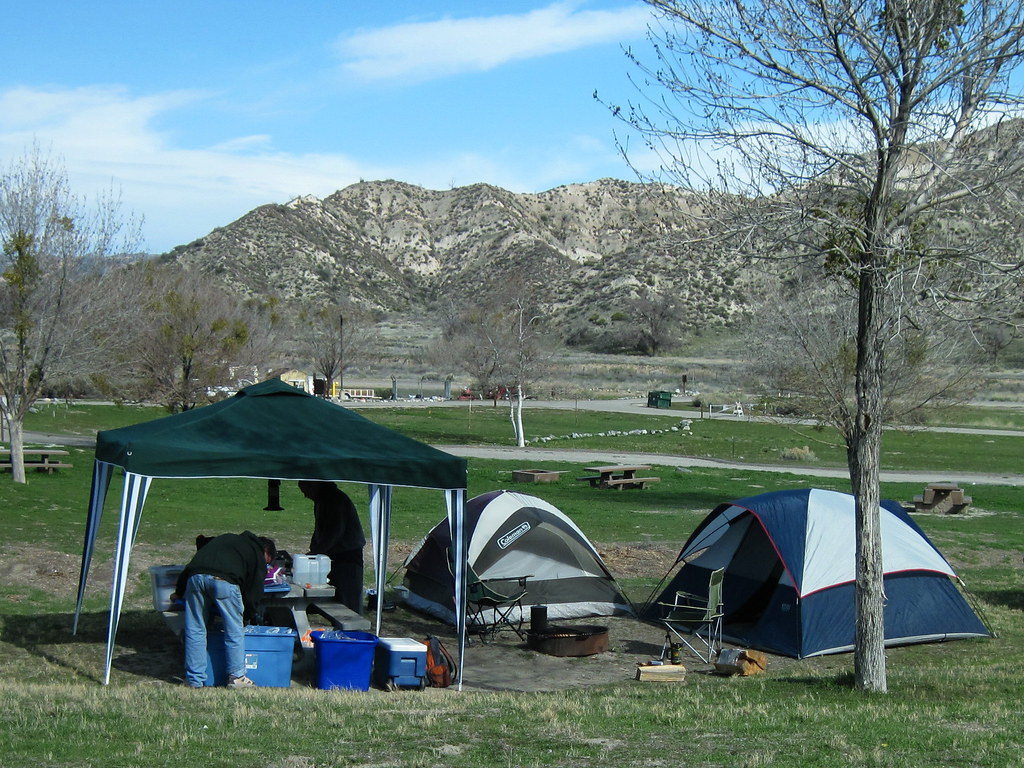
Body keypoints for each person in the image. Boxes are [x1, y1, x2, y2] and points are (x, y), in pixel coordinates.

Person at [174, 531, 276, 688]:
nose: (266, 565)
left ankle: (194, 680)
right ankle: (236, 677)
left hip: (195, 578)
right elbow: (253, 591)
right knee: (234, 630)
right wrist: (247, 615)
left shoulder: (226, 540)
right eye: (268, 562)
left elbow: (191, 566)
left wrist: (179, 592)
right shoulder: (256, 554)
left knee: (195, 630)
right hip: (224, 581)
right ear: (266, 552)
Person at [298, 480, 366, 613]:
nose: (305, 496)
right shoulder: (322, 500)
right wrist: (314, 549)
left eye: (306, 491)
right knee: (334, 597)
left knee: (348, 602)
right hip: (333, 555)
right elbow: (320, 530)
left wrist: (315, 553)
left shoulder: (334, 499)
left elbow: (334, 533)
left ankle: (352, 631)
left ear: (315, 485)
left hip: (347, 557)